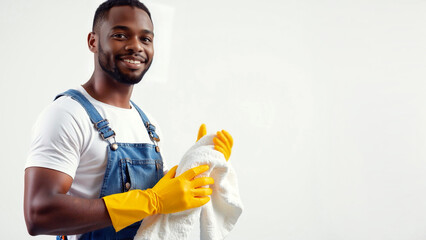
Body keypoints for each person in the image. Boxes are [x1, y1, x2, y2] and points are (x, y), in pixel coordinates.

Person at [23, 1, 233, 239]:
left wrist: (201, 161)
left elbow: (160, 204)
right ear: (93, 41)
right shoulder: (67, 114)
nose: (136, 46)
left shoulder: (149, 125)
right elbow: (39, 215)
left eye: (146, 39)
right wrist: (152, 201)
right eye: (121, 35)